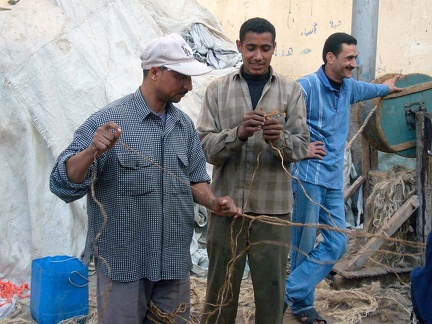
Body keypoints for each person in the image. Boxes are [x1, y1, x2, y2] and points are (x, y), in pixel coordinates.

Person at [49, 33, 242, 324]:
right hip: (124, 264)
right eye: (181, 77)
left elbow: (195, 180)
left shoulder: (184, 126)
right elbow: (61, 183)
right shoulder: (109, 121)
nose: (189, 86)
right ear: (155, 72)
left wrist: (214, 203)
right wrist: (91, 151)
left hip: (173, 263)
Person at [196, 17, 310, 323]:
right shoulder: (217, 90)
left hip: (273, 212)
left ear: (274, 49)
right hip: (225, 209)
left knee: (271, 295)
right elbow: (204, 148)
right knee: (220, 293)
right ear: (239, 47)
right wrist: (239, 134)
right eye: (250, 48)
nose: (257, 56)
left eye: (265, 48)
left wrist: (280, 140)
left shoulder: (291, 91)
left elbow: (301, 147)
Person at [284, 32, 402, 324]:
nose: (354, 63)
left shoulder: (349, 87)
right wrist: (301, 148)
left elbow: (373, 90)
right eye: (349, 58)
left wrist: (389, 87)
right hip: (307, 179)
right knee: (304, 244)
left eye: (355, 57)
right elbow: (277, 124)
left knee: (337, 243)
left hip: (333, 182)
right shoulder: (305, 86)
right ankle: (302, 307)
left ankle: (287, 291)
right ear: (330, 58)